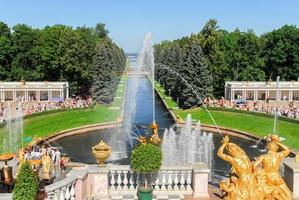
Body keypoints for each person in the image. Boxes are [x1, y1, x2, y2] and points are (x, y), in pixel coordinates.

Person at [253, 135, 292, 200]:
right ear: (277, 148)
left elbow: (254, 166)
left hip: (267, 177)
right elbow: (287, 150)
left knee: (265, 193)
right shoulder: (279, 155)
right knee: (287, 194)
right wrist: (277, 142)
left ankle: (274, 196)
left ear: (268, 148)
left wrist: (257, 173)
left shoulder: (263, 156)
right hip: (276, 176)